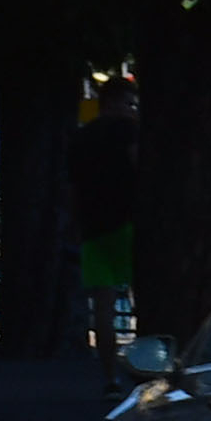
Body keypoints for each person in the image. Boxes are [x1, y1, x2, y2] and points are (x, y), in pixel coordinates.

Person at [68, 78, 137, 385]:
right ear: (115, 102)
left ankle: (109, 376)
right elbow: (139, 168)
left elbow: (71, 186)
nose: (131, 110)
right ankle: (146, 371)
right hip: (129, 222)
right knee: (143, 300)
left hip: (93, 228)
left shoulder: (82, 137)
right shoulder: (129, 132)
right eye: (129, 103)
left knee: (104, 308)